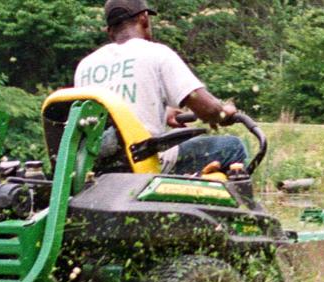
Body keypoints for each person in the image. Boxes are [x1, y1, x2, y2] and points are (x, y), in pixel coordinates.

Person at [74, 0, 247, 175]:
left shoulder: (85, 66)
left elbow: (113, 115)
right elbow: (208, 109)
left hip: (96, 167)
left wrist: (163, 114)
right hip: (143, 161)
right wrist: (223, 112)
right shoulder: (157, 54)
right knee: (233, 147)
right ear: (144, 19)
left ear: (110, 31)